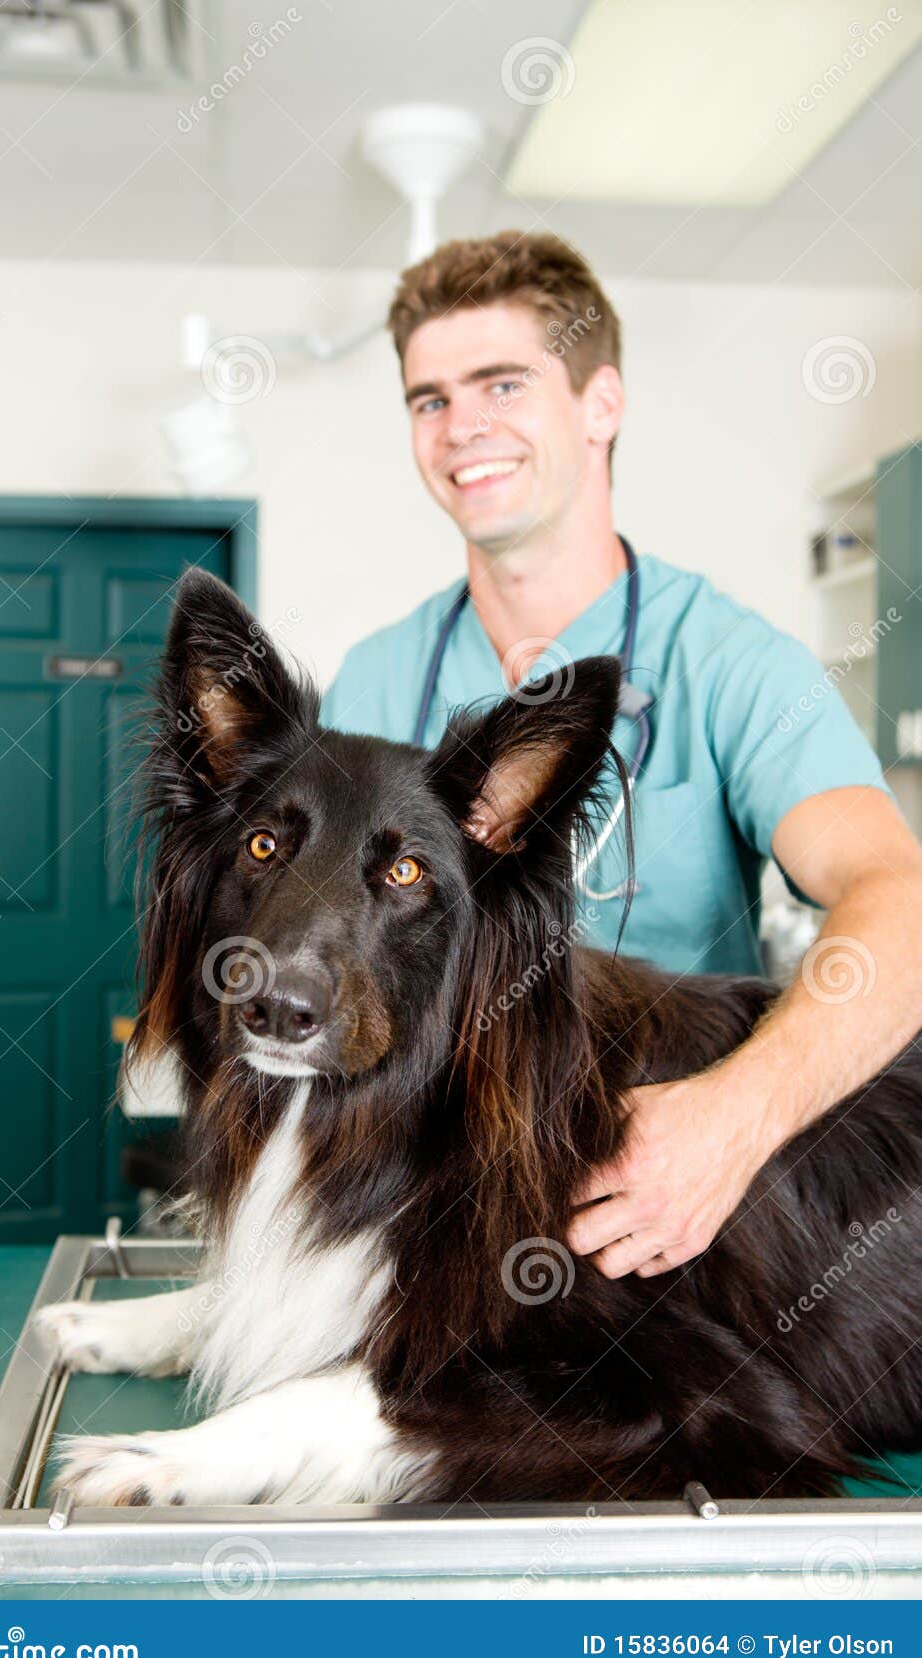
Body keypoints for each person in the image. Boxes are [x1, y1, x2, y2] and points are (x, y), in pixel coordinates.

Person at [320, 229, 922, 1280]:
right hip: (428, 1204)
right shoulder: (378, 681)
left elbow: (899, 906)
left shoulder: (726, 660)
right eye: (429, 398)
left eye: (501, 383)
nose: (462, 427)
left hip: (663, 1203)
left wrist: (732, 1120)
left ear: (601, 403)